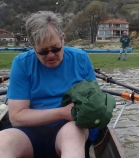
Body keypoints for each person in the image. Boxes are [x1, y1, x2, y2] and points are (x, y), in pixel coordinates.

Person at [0, 11, 97, 158]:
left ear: (63, 39)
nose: (51, 55)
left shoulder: (81, 59)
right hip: (28, 132)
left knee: (73, 135)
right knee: (3, 142)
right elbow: (17, 117)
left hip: (68, 127)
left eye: (56, 48)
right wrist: (61, 112)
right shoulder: (21, 63)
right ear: (33, 46)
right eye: (43, 51)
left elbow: (94, 104)